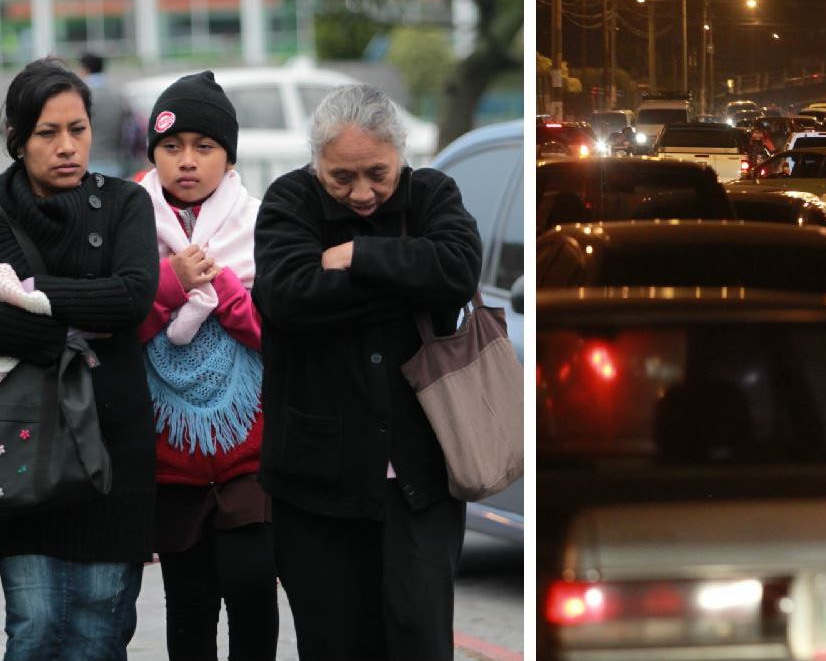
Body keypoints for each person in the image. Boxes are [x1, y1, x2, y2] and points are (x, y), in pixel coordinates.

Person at [252, 83, 482, 660]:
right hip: (317, 483)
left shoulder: (432, 194)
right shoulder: (289, 201)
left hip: (420, 479)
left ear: (400, 155)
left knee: (420, 639)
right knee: (334, 644)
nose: (362, 194)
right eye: (341, 177)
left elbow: (457, 269)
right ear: (316, 165)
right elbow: (289, 296)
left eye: (377, 174)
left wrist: (357, 257)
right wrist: (409, 286)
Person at [0, 58, 159, 659]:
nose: (67, 147)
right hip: (21, 445)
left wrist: (28, 293)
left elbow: (132, 297)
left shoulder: (125, 204)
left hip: (111, 448)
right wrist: (74, 331)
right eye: (47, 133)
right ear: (17, 138)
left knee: (98, 630)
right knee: (35, 626)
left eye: (78, 129)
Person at [137, 71, 278, 660]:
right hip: (171, 461)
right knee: (189, 610)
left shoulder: (260, 224)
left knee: (252, 598)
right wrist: (171, 284)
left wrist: (221, 290)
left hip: (250, 454)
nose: (187, 161)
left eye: (205, 147)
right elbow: (119, 329)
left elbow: (278, 335)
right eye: (172, 147)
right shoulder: (129, 222)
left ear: (229, 156)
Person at [77, 52, 138, 179]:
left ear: (85, 69)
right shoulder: (118, 95)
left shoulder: (81, 97)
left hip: (88, 161)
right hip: (116, 162)